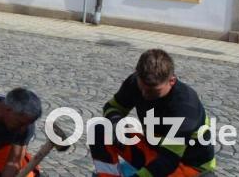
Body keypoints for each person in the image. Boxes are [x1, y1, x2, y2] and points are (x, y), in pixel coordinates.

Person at [89, 49, 217, 176]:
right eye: (142, 88)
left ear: (171, 81)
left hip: (187, 166)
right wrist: (116, 123)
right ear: (137, 75)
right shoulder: (136, 82)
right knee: (100, 129)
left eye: (153, 91)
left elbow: (168, 161)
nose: (145, 95)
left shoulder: (185, 106)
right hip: (154, 153)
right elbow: (112, 107)